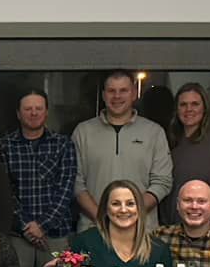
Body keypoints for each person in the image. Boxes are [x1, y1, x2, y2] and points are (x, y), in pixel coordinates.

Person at [0, 90, 78, 267]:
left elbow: (66, 188)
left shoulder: (63, 144)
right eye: (28, 109)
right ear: (18, 113)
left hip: (56, 232)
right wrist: (27, 226)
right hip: (18, 234)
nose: (33, 113)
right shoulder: (5, 146)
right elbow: (5, 192)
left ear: (46, 112)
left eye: (38, 108)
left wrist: (42, 224)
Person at [72, 69, 174, 230]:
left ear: (134, 94)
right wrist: (102, 217)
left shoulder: (154, 132)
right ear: (104, 95)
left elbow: (162, 181)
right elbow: (76, 182)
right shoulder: (83, 132)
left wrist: (129, 214)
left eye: (123, 90)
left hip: (141, 230)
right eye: (112, 91)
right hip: (94, 228)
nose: (117, 96)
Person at [67, 180, 175, 267]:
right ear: (105, 209)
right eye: (116, 204)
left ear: (139, 209)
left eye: (130, 204)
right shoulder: (85, 242)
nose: (123, 210)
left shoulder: (159, 249)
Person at [161, 83, 210, 226]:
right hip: (174, 226)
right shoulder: (171, 140)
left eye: (195, 104)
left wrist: (199, 217)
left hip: (208, 226)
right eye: (183, 104)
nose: (189, 109)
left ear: (205, 107)